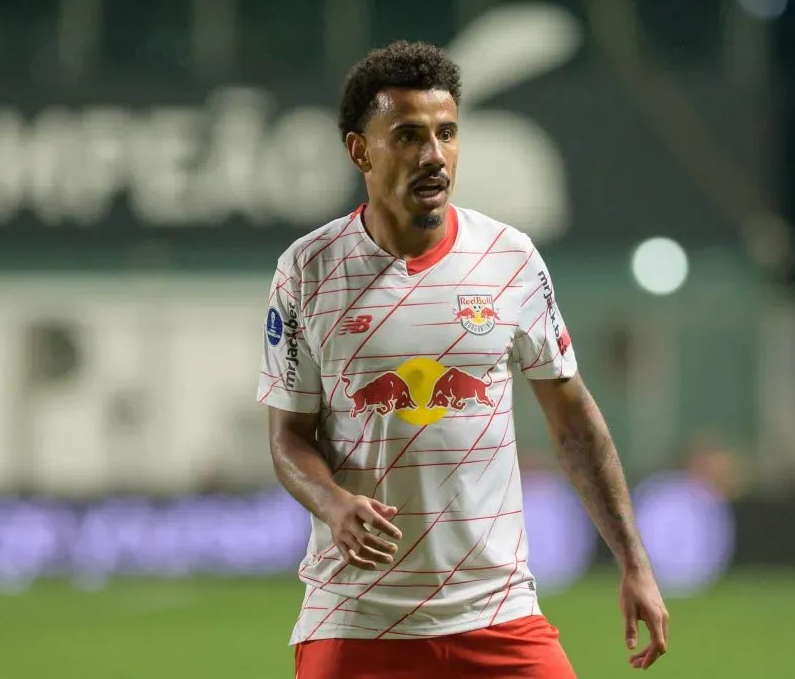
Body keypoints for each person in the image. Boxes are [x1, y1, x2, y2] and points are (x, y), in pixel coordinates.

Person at [257, 40, 669, 678]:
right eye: (408, 136)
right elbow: (288, 437)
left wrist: (635, 562)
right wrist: (333, 503)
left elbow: (573, 421)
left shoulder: (510, 259)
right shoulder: (307, 271)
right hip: (358, 618)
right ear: (360, 151)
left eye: (446, 133)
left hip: (498, 614)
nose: (434, 155)